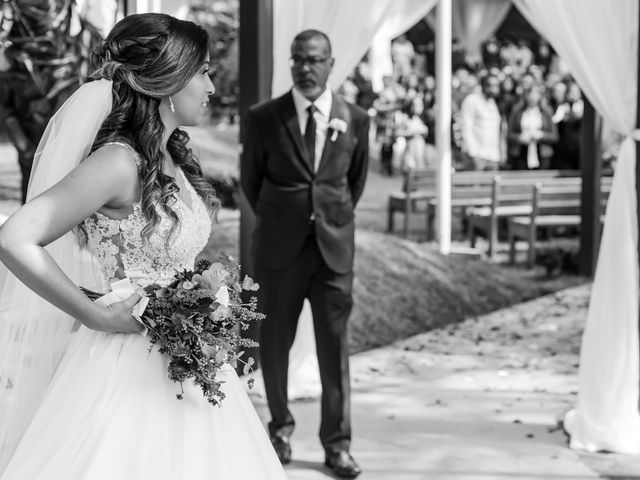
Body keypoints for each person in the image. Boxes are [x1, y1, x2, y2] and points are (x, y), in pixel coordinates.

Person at [0, 13, 287, 479]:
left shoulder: (172, 154)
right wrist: (94, 313)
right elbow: (14, 238)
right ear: (169, 79)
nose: (212, 86)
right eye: (204, 71)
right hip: (126, 365)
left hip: (188, 364)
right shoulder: (117, 162)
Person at [241, 29, 369, 479]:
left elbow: (355, 182)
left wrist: (326, 218)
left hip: (334, 253)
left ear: (332, 63)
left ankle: (338, 445)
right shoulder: (263, 118)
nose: (306, 68)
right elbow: (251, 183)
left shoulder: (355, 118)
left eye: (315, 60)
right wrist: (286, 220)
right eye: (298, 59)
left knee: (336, 350)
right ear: (291, 63)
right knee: (274, 345)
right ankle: (280, 429)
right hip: (280, 251)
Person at [507, 85, 558, 170]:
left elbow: (555, 136)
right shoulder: (517, 111)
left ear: (540, 96)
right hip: (521, 152)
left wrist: (541, 135)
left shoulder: (547, 112)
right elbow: (509, 134)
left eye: (535, 94)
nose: (532, 97)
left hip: (542, 153)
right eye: (530, 94)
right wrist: (519, 138)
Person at [459, 73, 502, 171]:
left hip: (492, 156)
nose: (493, 89)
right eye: (490, 85)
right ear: (483, 86)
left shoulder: (493, 104)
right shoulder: (472, 100)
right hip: (476, 155)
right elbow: (466, 127)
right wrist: (473, 153)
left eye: (496, 86)